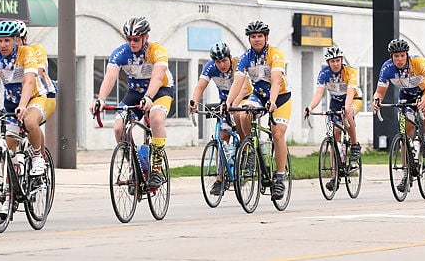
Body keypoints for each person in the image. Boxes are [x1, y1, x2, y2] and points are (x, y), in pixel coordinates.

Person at [0, 21, 55, 217]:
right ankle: (7, 198)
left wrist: (23, 105)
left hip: (35, 96)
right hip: (12, 103)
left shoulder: (27, 53)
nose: (3, 44)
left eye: (7, 40)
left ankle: (38, 157)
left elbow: (29, 80)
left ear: (16, 40)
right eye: (0, 41)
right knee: (8, 148)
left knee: (30, 122)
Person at [89, 16, 174, 189]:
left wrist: (149, 97)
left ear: (146, 37)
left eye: (136, 39)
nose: (132, 43)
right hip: (135, 92)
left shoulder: (157, 51)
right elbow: (110, 78)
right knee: (119, 127)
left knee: (156, 119)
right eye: (129, 39)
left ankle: (156, 169)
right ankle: (135, 166)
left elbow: (158, 77)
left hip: (159, 90)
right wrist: (100, 99)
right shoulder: (120, 53)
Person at [226, 20, 292, 200]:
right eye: (253, 37)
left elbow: (276, 81)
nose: (256, 39)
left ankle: (279, 177)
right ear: (249, 39)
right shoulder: (245, 57)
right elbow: (238, 82)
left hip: (280, 98)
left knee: (277, 133)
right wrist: (229, 102)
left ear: (266, 38)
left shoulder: (275, 54)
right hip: (259, 95)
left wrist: (272, 102)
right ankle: (250, 150)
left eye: (259, 36)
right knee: (241, 113)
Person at [372, 38, 425, 192]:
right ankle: (406, 173)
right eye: (396, 56)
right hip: (406, 96)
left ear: (407, 55)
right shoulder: (387, 68)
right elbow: (380, 91)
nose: (399, 59)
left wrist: (424, 99)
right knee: (404, 133)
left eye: (402, 56)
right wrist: (376, 100)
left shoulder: (418, 62)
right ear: (391, 57)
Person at [188, 41, 252, 196]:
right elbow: (200, 86)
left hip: (243, 99)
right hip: (225, 103)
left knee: (239, 116)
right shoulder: (210, 67)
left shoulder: (238, 64)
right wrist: (194, 102)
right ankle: (220, 179)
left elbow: (244, 87)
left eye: (224, 61)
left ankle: (247, 149)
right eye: (218, 62)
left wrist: (234, 103)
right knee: (222, 137)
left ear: (230, 58)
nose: (221, 65)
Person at [304, 46, 363, 191]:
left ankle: (355, 145)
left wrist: (347, 106)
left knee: (347, 114)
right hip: (335, 102)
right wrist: (310, 107)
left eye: (338, 60)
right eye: (332, 61)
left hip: (354, 99)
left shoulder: (350, 71)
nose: (335, 63)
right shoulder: (324, 73)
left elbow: (350, 92)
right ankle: (334, 176)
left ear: (341, 60)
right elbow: (319, 93)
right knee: (335, 136)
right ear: (328, 62)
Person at [0, 21, 56, 109]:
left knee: (30, 120)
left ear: (25, 39)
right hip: (15, 98)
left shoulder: (35, 50)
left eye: (18, 39)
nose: (16, 43)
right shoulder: (5, 56)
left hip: (41, 94)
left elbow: (37, 73)